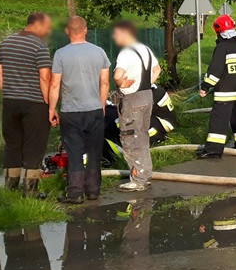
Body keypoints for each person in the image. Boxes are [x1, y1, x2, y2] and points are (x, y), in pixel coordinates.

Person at [49, 16, 111, 204]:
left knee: (74, 151)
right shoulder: (99, 52)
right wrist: (101, 107)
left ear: (68, 31)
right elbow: (105, 82)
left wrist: (52, 109)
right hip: (94, 110)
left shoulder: (60, 54)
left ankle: (75, 193)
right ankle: (93, 190)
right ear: (86, 30)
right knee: (94, 150)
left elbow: (54, 85)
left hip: (71, 111)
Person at [0, 12, 53, 196]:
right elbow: (44, 78)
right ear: (37, 25)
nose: (49, 30)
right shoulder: (39, 46)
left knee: (13, 144)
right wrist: (49, 104)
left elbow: (0, 73)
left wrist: (8, 93)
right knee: (34, 146)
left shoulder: (6, 42)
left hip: (10, 102)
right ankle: (31, 192)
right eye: (47, 26)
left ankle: (10, 189)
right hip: (34, 103)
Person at [111, 20, 161, 192]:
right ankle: (145, 175)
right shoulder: (144, 49)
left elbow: (118, 75)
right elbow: (157, 69)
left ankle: (138, 180)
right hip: (147, 95)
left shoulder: (125, 53)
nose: (115, 37)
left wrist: (121, 83)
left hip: (133, 99)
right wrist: (145, 83)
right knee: (142, 136)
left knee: (130, 138)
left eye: (116, 33)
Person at [196, 14, 236, 159]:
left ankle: (214, 150)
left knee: (219, 121)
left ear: (219, 32)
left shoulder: (222, 48)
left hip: (225, 94)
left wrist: (205, 87)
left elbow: (215, 71)